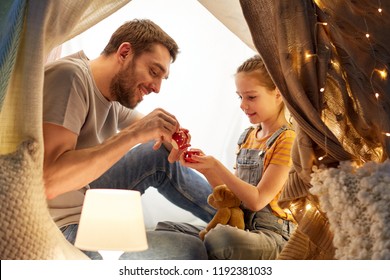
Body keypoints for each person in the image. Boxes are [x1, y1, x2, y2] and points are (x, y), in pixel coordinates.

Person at [42, 19, 215, 260]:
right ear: (124, 52)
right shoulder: (70, 77)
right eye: (153, 72)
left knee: (156, 155)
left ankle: (240, 218)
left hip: (86, 201)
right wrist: (134, 135)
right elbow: (49, 182)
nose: (156, 88)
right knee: (188, 250)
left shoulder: (111, 97)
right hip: (58, 222)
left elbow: (154, 132)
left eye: (162, 78)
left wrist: (175, 138)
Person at [157, 55, 296, 259]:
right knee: (165, 229)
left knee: (221, 239)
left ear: (277, 93)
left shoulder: (287, 139)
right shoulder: (247, 136)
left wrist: (216, 165)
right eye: (240, 97)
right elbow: (232, 198)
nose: (242, 104)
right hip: (239, 224)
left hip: (271, 234)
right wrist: (206, 169)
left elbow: (257, 201)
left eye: (251, 97)